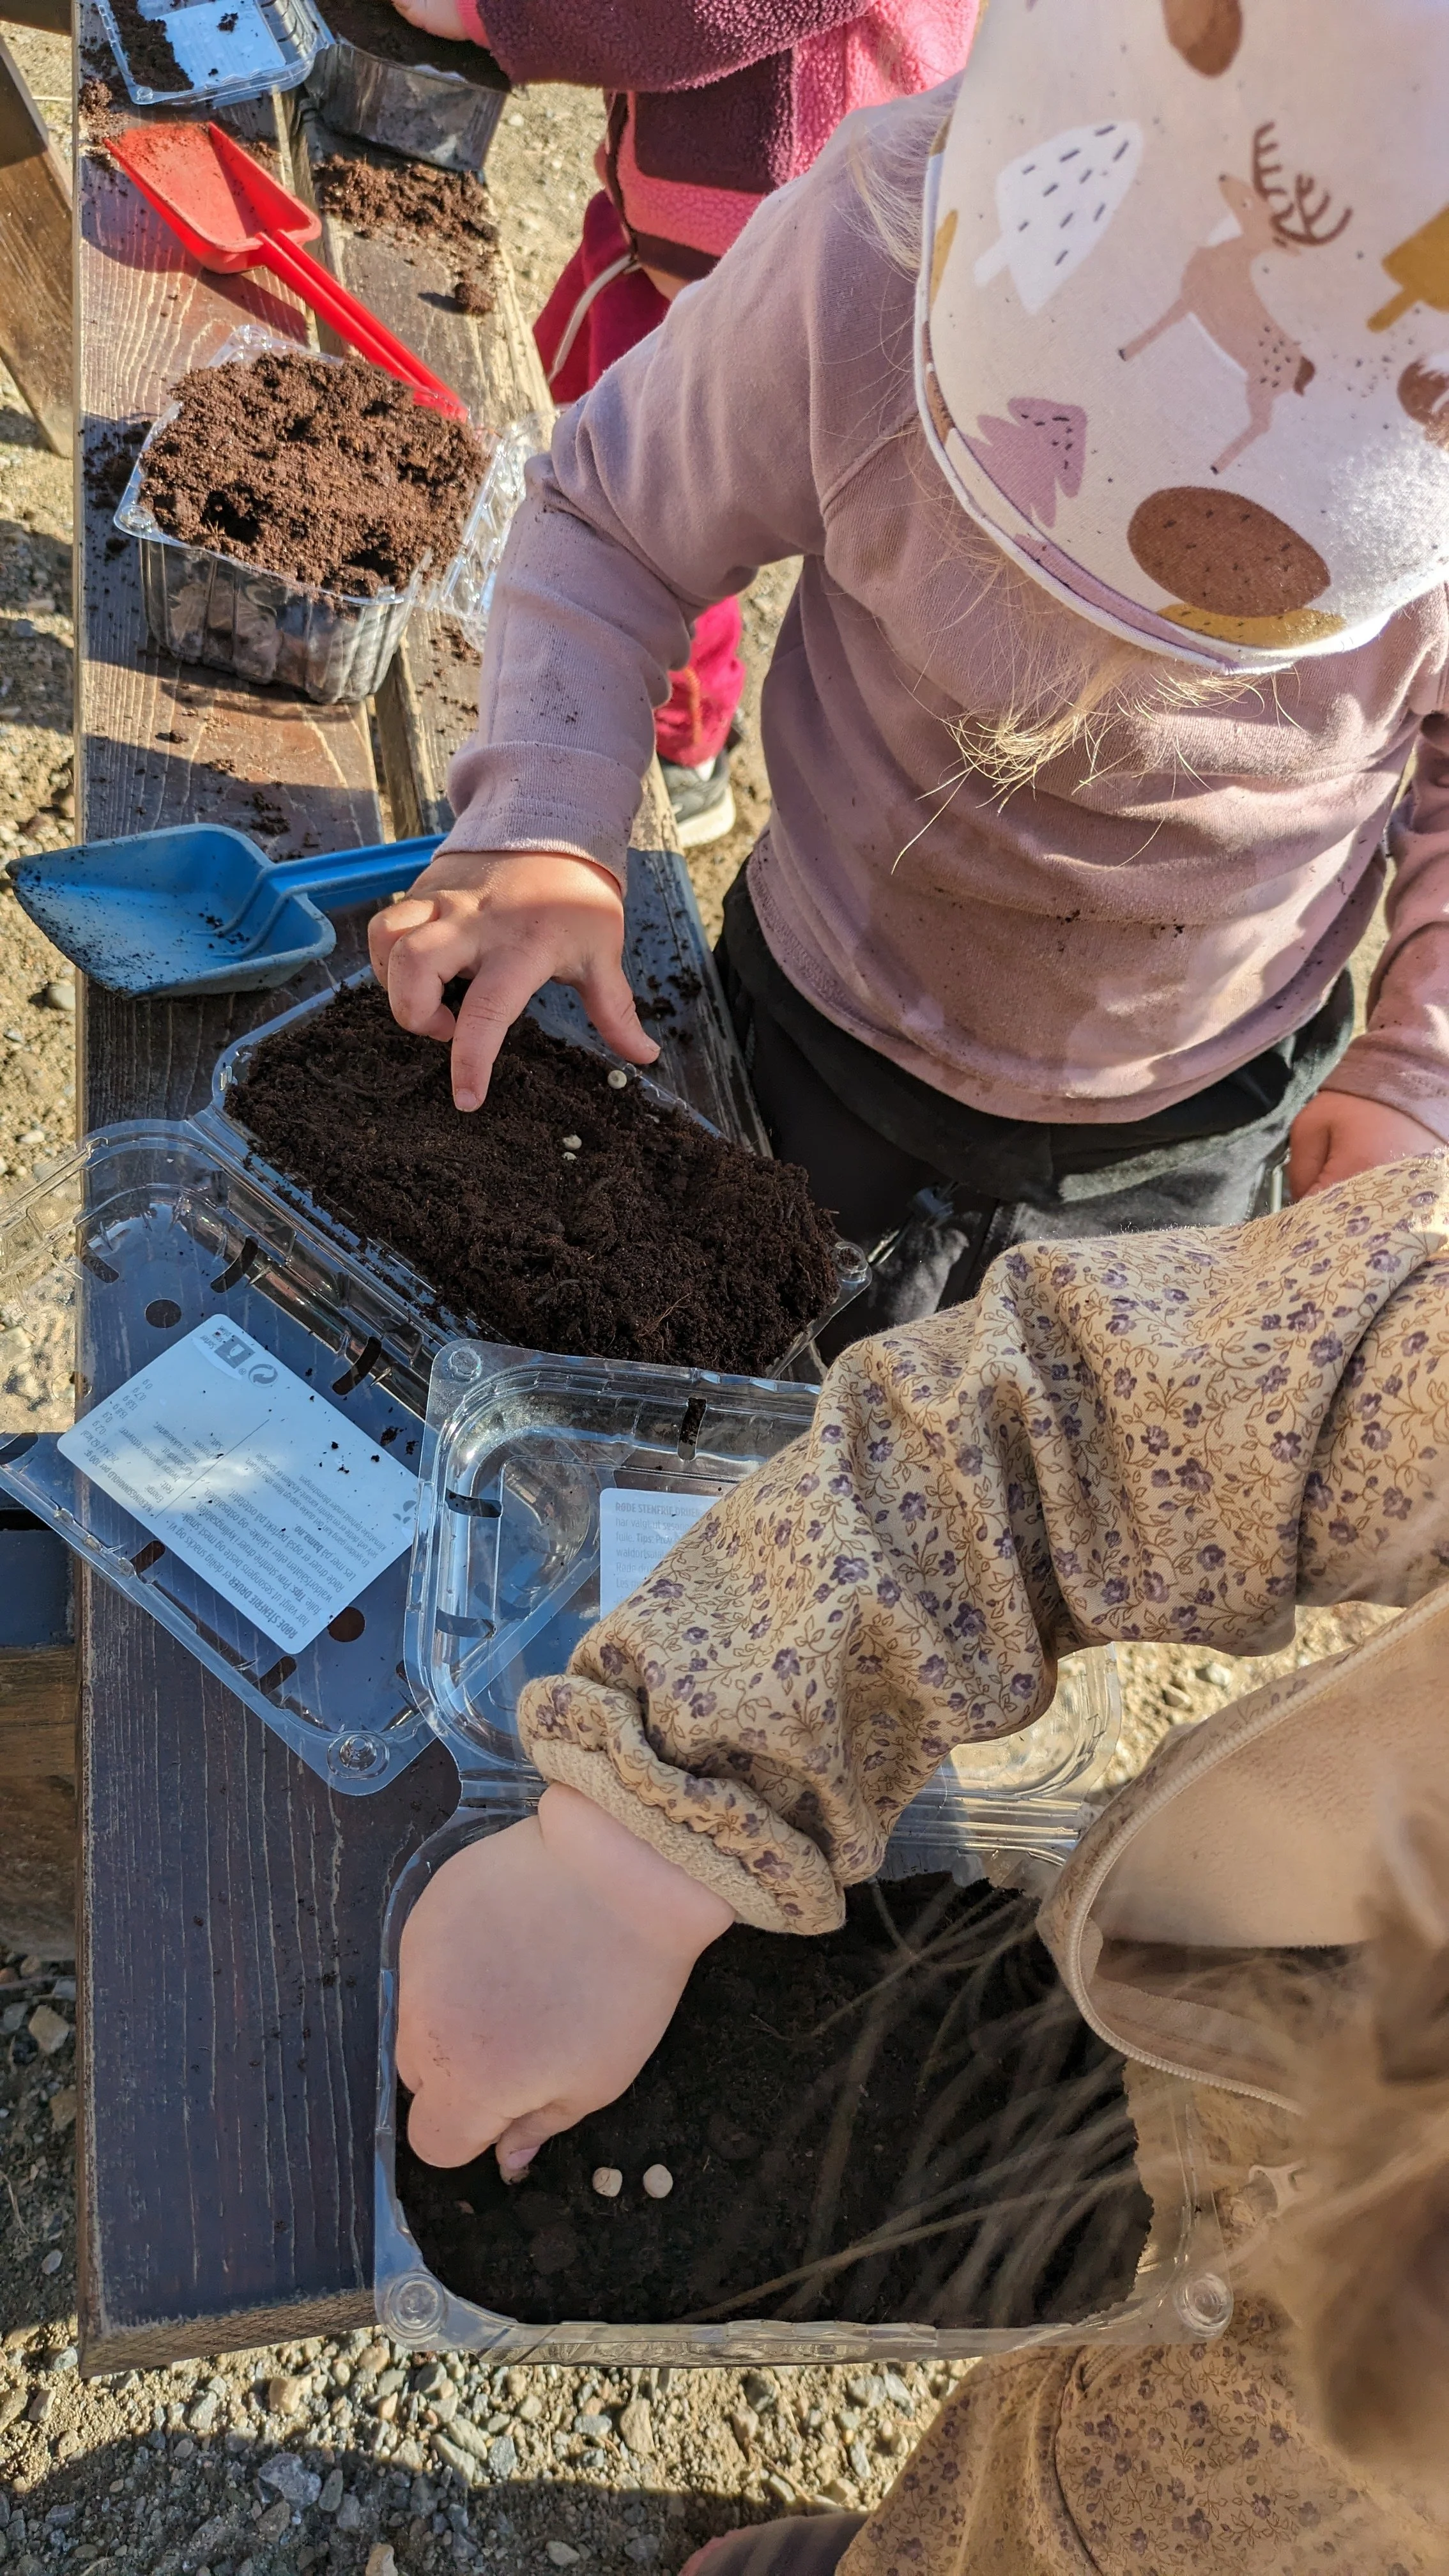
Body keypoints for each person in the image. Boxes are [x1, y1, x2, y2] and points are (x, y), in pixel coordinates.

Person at [399, 1153, 1449, 2573]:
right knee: (1034, 2470)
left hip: (1257, 2514)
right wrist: (640, 1846)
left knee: (1063, 2521)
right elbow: (1093, 1413)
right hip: (1249, 2059)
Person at [370, 0, 1449, 1340]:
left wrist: (1418, 1066)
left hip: (1191, 1121)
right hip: (820, 1023)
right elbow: (611, 517)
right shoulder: (875, 252)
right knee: (716, 1381)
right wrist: (543, 821)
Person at [387, 0, 979, 847]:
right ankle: (560, 640)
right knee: (584, 439)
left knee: (665, 509)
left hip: (755, 256)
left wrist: (497, 14)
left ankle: (684, 746)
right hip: (672, 223)